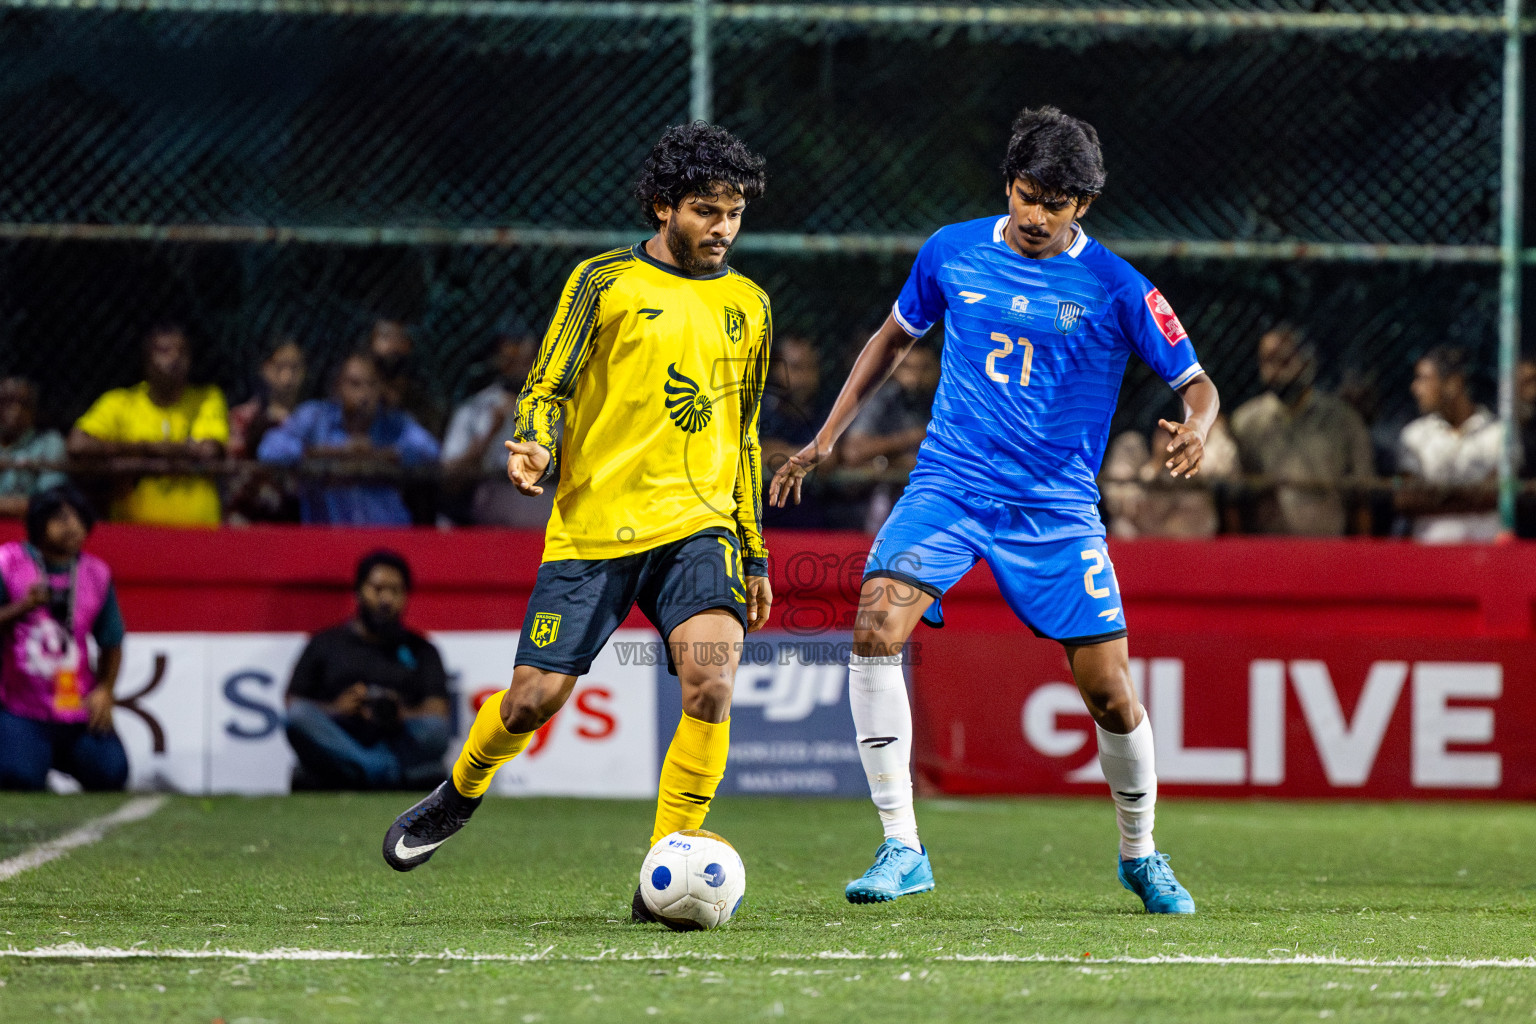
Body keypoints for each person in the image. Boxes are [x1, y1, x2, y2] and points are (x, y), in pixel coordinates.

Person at [771, 106, 1215, 914]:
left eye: (1056, 203)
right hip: (950, 487)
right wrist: (828, 436)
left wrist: (1200, 425)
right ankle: (902, 845)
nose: (1036, 215)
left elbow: (1198, 384)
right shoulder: (951, 251)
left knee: (1110, 691)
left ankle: (1141, 853)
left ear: (1084, 205)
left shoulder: (1118, 287)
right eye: (1026, 194)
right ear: (1008, 183)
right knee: (875, 623)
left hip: (1055, 510)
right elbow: (891, 338)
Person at [381, 122, 775, 927]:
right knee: (532, 699)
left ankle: (665, 864)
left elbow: (745, 435)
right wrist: (534, 442)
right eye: (706, 210)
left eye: (734, 213)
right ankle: (460, 792)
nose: (723, 228)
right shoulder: (603, 283)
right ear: (663, 206)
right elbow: (546, 386)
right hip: (596, 529)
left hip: (700, 526)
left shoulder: (751, 305)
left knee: (711, 681)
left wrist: (754, 550)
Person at [284, 550, 451, 790]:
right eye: (378, 589)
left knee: (435, 730)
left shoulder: (423, 650)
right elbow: (294, 703)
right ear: (359, 591)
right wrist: (338, 709)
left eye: (395, 591)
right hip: (344, 736)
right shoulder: (324, 644)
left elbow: (438, 711)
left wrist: (398, 713)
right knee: (298, 717)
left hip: (398, 739)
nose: (386, 599)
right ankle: (382, 771)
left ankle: (363, 771)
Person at [0, 485, 128, 791]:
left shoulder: (96, 573)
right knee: (18, 778)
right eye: (60, 518)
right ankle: (31, 757)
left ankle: (48, 756)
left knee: (111, 774)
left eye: (79, 518)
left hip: (76, 706)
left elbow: (112, 641)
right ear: (38, 523)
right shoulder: (7, 563)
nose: (72, 527)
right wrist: (23, 607)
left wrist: (105, 690)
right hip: (19, 706)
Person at [68, 324, 228, 527]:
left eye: (182, 351)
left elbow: (208, 451)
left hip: (198, 531)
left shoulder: (207, 398)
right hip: (133, 530)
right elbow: (77, 445)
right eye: (164, 351)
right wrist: (159, 449)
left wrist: (132, 459)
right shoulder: (119, 402)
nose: (175, 358)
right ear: (146, 360)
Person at [256, 352, 440, 526]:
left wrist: (378, 455)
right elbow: (269, 450)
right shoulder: (315, 417)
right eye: (355, 384)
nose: (364, 394)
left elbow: (430, 450)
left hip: (388, 534)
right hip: (329, 536)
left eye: (372, 384)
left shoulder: (394, 422)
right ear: (338, 386)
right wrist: (338, 452)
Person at [1228, 325, 1374, 536]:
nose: (1275, 371)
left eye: (1284, 360)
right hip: (1267, 548)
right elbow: (1233, 498)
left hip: (1328, 546)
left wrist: (1362, 553)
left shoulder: (1342, 420)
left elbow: (1363, 497)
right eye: (1267, 361)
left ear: (1307, 363)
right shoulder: (1246, 422)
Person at [440, 324, 553, 527]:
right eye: (512, 357)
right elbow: (450, 480)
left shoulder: (560, 409)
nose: (523, 366)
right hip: (491, 528)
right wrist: (490, 433)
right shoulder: (476, 409)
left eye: (530, 359)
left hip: (546, 528)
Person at [1395, 346, 1501, 543]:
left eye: (1424, 379)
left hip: (1485, 553)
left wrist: (1435, 497)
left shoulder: (1498, 433)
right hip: (1431, 552)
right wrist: (1472, 496)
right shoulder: (1414, 436)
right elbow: (1406, 500)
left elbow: (1496, 496)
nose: (1415, 388)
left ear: (1452, 384)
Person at [839, 343, 941, 532]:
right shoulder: (884, 397)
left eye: (924, 368)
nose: (915, 377)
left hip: (931, 497)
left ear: (938, 369)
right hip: (878, 498)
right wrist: (913, 437)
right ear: (895, 369)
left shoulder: (945, 401)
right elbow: (853, 451)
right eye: (908, 368)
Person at [226, 335, 307, 524]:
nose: (287, 376)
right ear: (266, 369)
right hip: (248, 518)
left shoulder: (312, 420)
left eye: (295, 368)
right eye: (280, 367)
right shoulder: (242, 418)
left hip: (296, 520)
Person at [760, 334, 831, 528]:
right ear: (777, 368)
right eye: (797, 368)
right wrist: (805, 454)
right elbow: (749, 455)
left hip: (807, 512)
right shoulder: (758, 407)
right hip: (759, 512)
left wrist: (778, 451)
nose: (805, 378)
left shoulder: (824, 409)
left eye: (811, 368)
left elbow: (829, 458)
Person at [0, 377, 67, 519]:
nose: (16, 410)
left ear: (34, 410)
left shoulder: (49, 442)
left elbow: (51, 500)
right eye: (7, 401)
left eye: (24, 404)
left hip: (28, 525)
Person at [369, 318, 445, 439]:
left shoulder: (425, 404)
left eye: (399, 338)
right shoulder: (355, 389)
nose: (392, 345)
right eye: (385, 336)